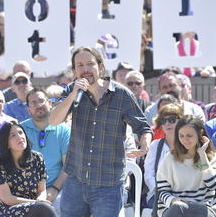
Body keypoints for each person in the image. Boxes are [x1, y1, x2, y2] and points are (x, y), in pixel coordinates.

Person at [49, 46, 152, 217]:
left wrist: (145, 145)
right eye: (80, 65)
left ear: (101, 67)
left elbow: (143, 127)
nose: (86, 69)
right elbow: (53, 120)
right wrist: (73, 94)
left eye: (90, 64)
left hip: (108, 185)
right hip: (76, 181)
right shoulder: (72, 92)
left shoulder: (121, 94)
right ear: (74, 71)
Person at [0, 121, 58, 217]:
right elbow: (6, 198)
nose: (19, 137)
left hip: (35, 207)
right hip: (8, 209)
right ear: (7, 143)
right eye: (13, 135)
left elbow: (41, 190)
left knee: (43, 208)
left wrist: (40, 200)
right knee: (43, 208)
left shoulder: (37, 158)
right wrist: (36, 203)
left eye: (21, 133)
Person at [156, 115, 216, 217]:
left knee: (179, 207)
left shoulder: (213, 158)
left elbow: (213, 185)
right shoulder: (169, 158)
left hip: (204, 207)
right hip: (173, 207)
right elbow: (161, 190)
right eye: (181, 135)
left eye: (189, 135)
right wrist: (173, 200)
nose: (185, 140)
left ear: (200, 133)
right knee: (178, 207)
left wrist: (202, 156)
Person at [21, 87, 70, 216]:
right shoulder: (20, 130)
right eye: (33, 103)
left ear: (49, 103)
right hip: (25, 190)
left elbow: (68, 166)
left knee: (63, 206)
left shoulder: (64, 130)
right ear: (28, 109)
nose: (38, 105)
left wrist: (54, 189)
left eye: (41, 101)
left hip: (57, 189)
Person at [144, 104, 184, 208]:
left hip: (185, 193)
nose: (167, 124)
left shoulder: (188, 144)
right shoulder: (155, 146)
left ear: (181, 121)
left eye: (172, 119)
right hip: (158, 195)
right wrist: (165, 193)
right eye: (163, 121)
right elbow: (149, 175)